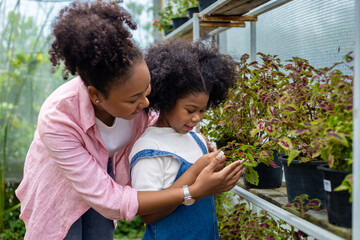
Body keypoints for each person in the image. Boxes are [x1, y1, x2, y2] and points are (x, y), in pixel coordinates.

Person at [15, 1, 244, 239]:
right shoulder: (58, 118)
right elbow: (110, 199)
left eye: (147, 90)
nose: (146, 104)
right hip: (59, 188)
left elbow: (167, 118)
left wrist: (198, 144)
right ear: (96, 95)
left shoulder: (141, 94)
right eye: (134, 99)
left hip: (106, 179)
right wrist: (193, 190)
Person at [129, 39, 241, 240]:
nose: (197, 118)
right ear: (167, 99)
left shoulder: (197, 140)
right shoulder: (149, 146)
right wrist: (197, 169)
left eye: (203, 110)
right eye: (190, 110)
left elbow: (203, 198)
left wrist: (218, 183)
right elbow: (147, 214)